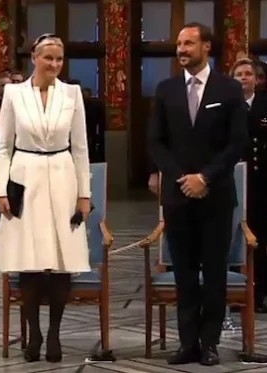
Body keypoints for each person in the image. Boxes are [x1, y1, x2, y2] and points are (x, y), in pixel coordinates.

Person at [148, 23, 247, 366]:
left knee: (215, 272)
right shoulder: (166, 89)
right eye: (178, 43)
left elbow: (237, 143)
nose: (181, 49)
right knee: (185, 274)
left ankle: (210, 343)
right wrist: (180, 178)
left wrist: (205, 177)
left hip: (216, 196)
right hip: (178, 197)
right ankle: (187, 343)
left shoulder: (230, 89)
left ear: (207, 46)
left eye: (189, 43)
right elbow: (156, 141)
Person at [0, 33, 91, 363]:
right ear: (34, 57)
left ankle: (54, 336)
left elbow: (80, 148)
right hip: (24, 175)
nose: (54, 64)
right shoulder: (14, 93)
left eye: (59, 58)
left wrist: (84, 195)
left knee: (62, 263)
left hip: (63, 175)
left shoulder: (72, 94)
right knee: (30, 262)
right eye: (48, 57)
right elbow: (4, 146)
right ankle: (33, 333)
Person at [230, 58, 267, 312]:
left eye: (248, 74)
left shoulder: (264, 104)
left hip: (262, 181)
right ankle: (235, 292)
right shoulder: (227, 107)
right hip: (234, 180)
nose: (243, 78)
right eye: (239, 74)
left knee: (261, 238)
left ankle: (261, 292)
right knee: (234, 236)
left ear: (256, 79)